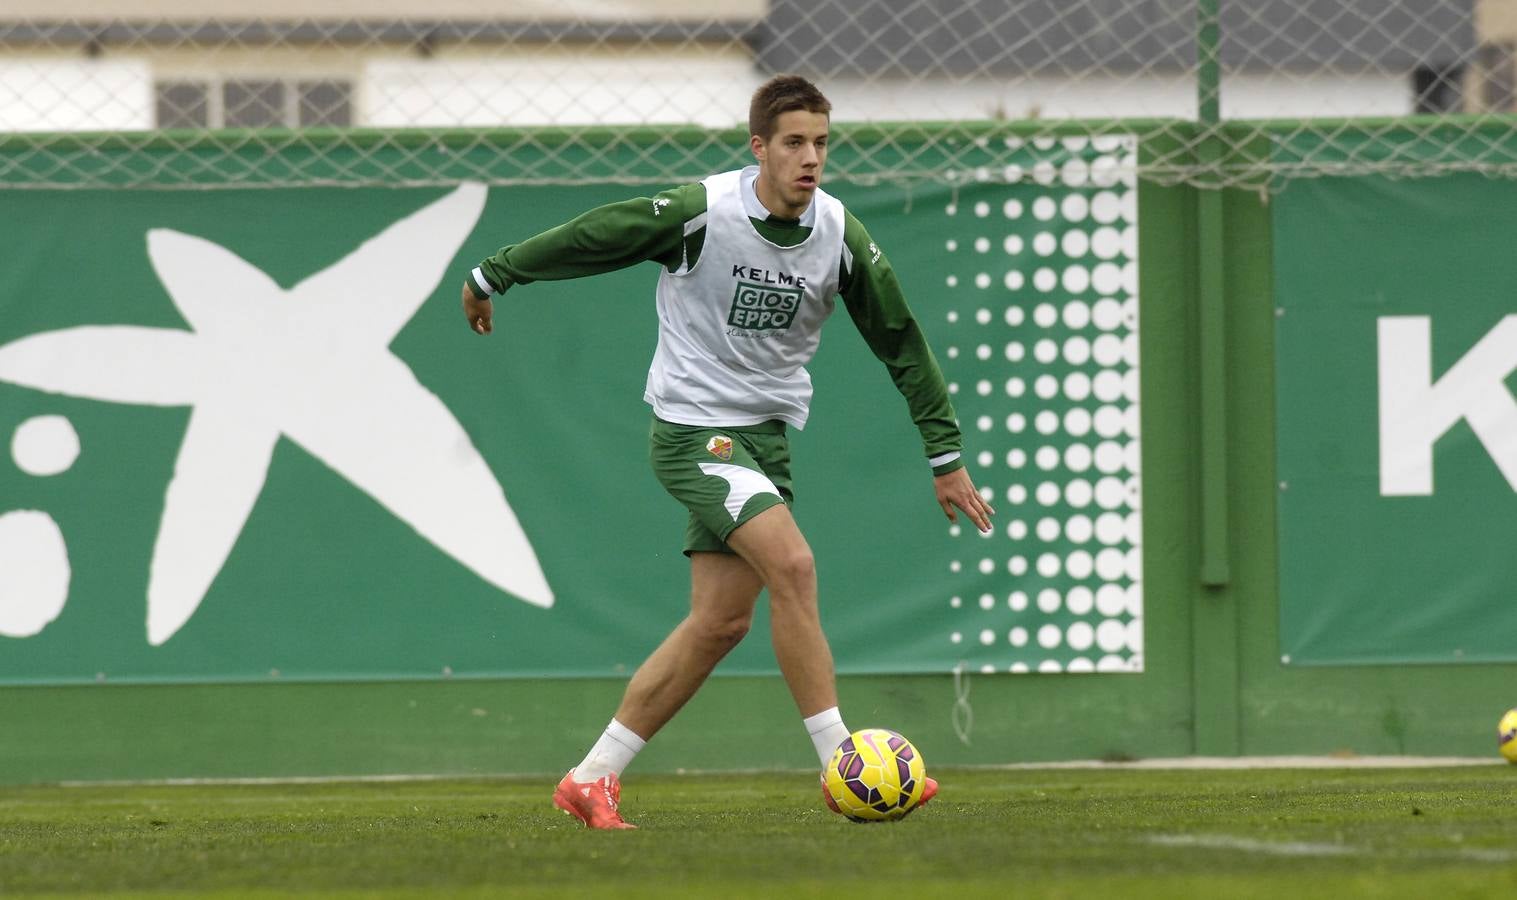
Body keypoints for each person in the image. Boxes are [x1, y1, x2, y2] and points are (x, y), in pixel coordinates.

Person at [460, 74, 994, 829]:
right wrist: (495, 272)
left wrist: (944, 455)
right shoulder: (702, 213)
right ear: (759, 148)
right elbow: (598, 235)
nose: (810, 157)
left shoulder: (838, 232)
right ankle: (848, 765)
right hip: (692, 434)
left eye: (820, 143)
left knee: (718, 624)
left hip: (763, 441)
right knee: (794, 566)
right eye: (793, 142)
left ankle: (591, 777)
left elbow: (900, 341)